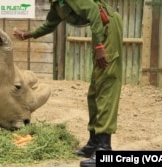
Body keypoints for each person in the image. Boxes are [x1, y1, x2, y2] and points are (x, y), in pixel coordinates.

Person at [13, 0, 123, 166]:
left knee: (106, 86)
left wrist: (100, 45)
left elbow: (93, 10)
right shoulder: (57, 4)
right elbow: (50, 24)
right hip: (100, 28)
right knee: (94, 91)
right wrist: (28, 35)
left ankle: (104, 150)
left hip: (108, 27)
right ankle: (94, 142)